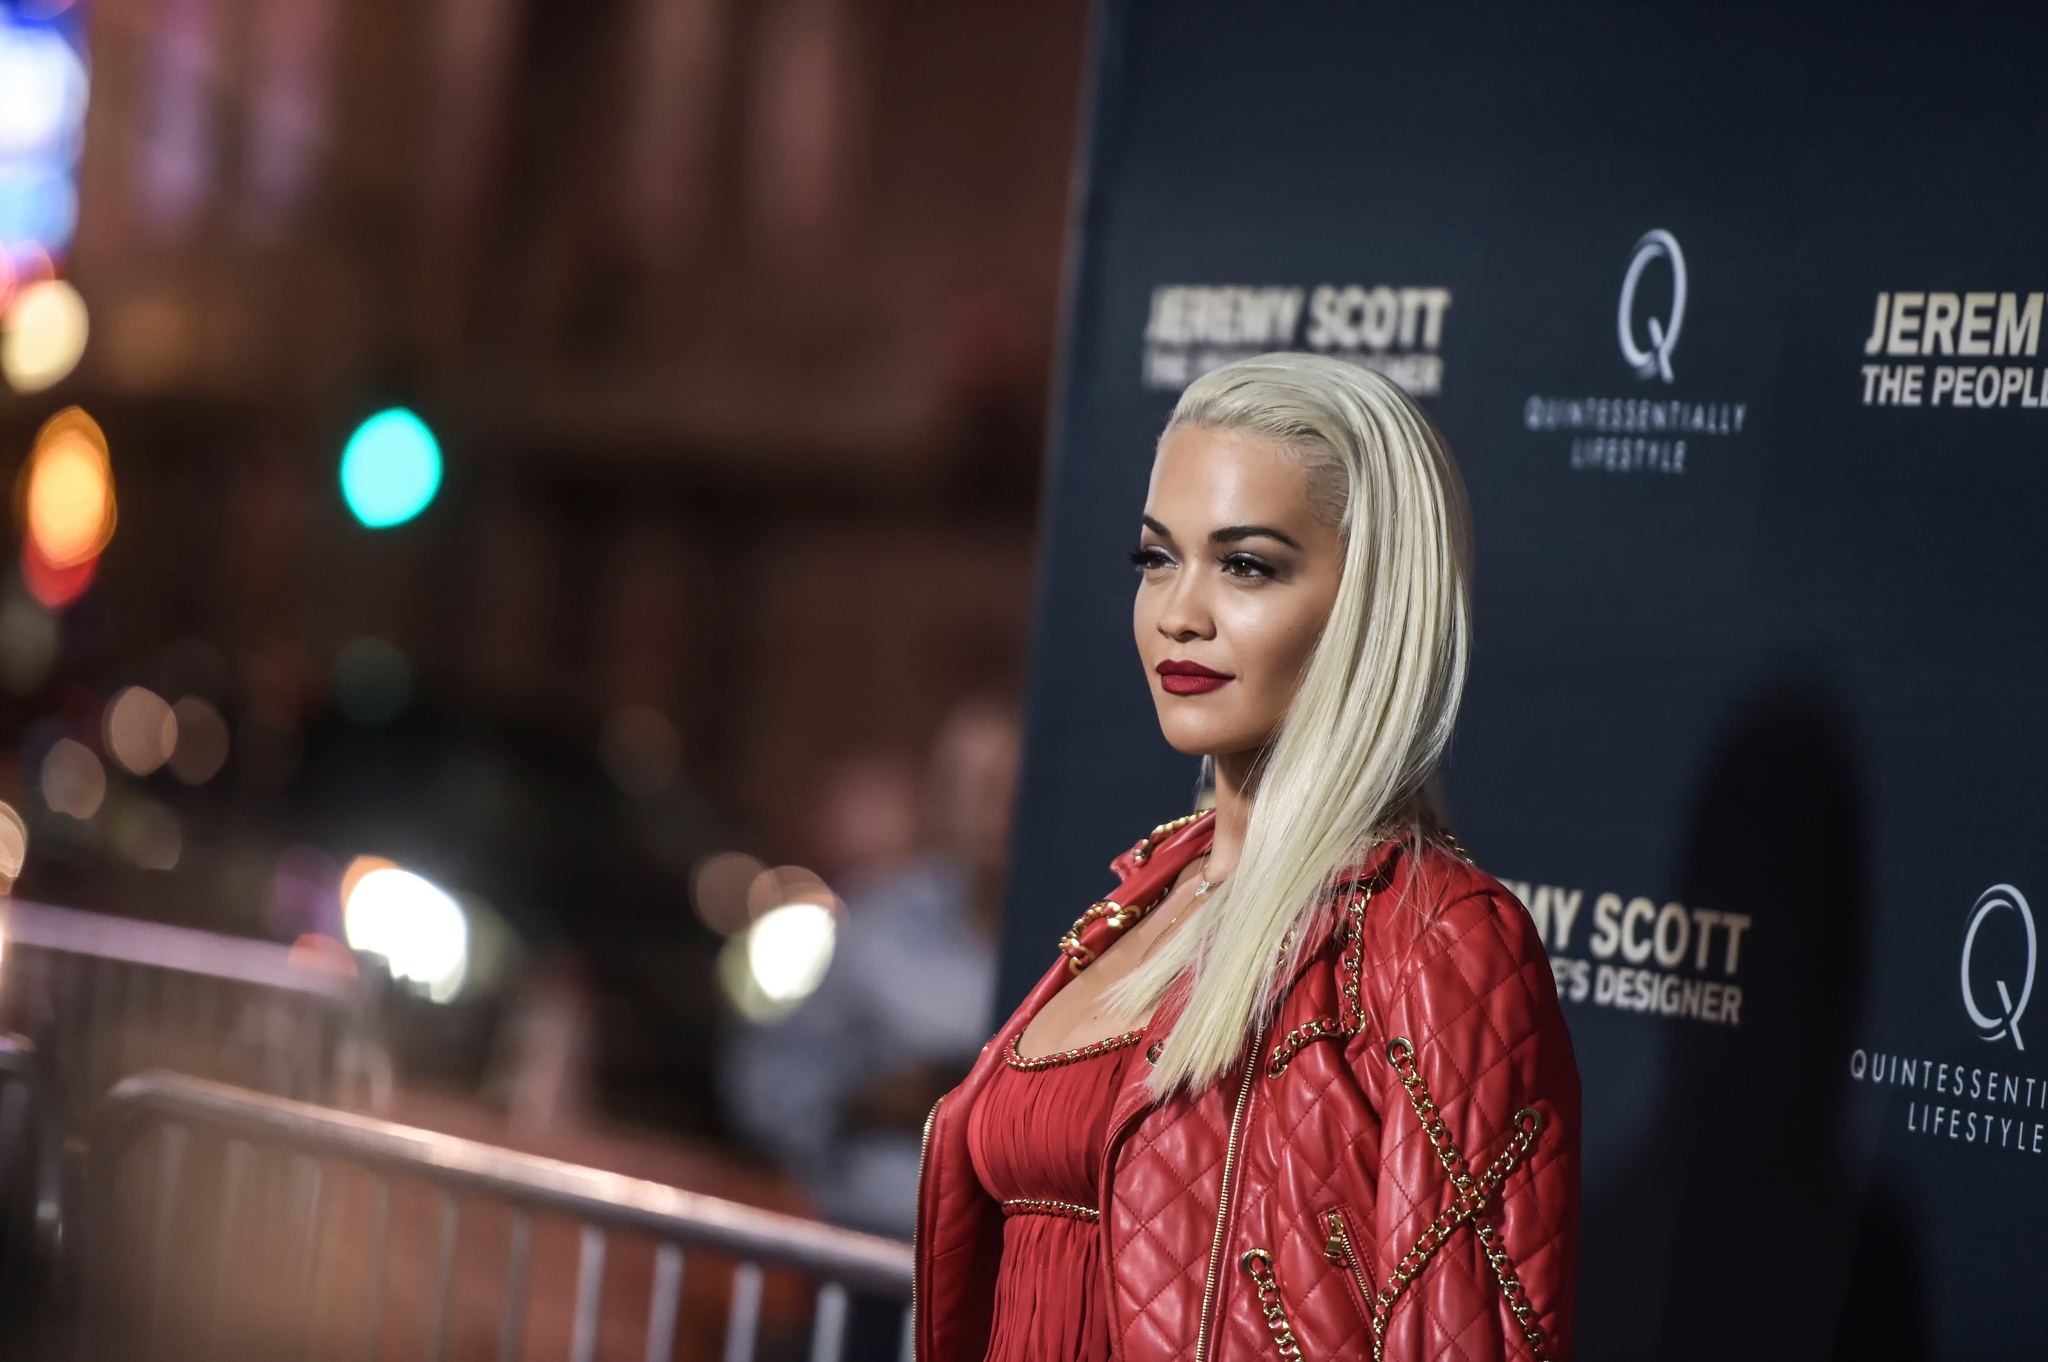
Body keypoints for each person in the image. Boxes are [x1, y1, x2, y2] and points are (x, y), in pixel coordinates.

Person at [915, 354, 1581, 1362]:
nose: (1178, 613)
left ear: (1372, 602)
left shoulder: (1435, 943)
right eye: (1156, 558)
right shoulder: (1148, 892)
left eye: (1247, 566)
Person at [726, 702, 1018, 1238]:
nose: (986, 809)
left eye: (1003, 785)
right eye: (963, 785)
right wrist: (866, 1102)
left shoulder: (1090, 937)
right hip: (871, 1231)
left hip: (1007, 1248)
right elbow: (765, 1078)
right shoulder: (875, 927)